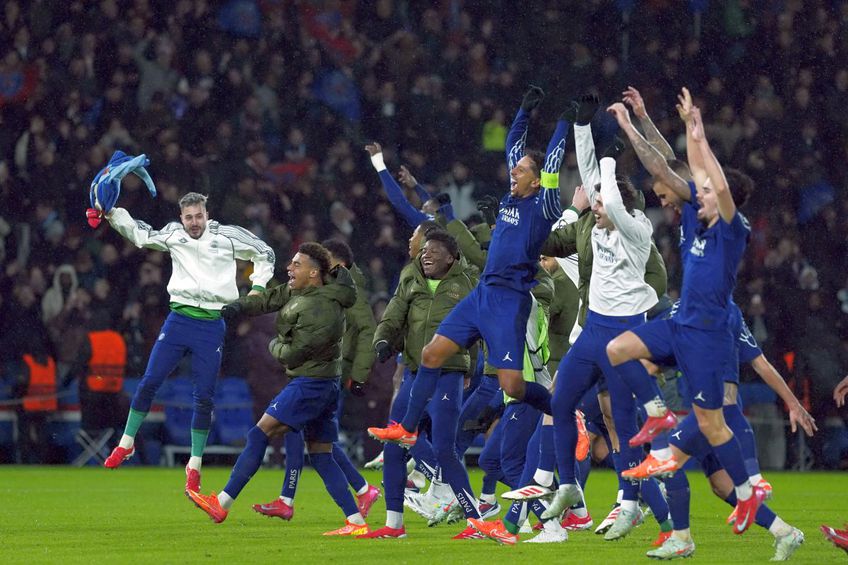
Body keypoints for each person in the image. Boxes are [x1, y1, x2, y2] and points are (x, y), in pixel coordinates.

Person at [604, 91, 766, 541]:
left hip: (707, 337)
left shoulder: (733, 229)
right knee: (617, 349)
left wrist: (635, 127)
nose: (695, 193)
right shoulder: (695, 213)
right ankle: (657, 413)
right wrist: (684, 126)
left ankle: (750, 492)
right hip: (680, 325)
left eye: (708, 190)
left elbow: (687, 172)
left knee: (713, 425)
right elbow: (677, 165)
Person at [368, 85, 568, 447]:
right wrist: (523, 113)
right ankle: (407, 428)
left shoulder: (544, 207)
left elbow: (552, 160)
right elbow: (512, 145)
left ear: (537, 180)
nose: (514, 171)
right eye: (516, 168)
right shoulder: (510, 197)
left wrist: (565, 124)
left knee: (513, 386)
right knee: (431, 354)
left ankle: (568, 417)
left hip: (509, 301)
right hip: (483, 295)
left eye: (522, 170)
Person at [187, 243, 369, 536]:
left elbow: (295, 353)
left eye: (297, 264)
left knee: (260, 432)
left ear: (313, 272)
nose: (289, 268)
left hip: (310, 383)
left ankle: (222, 502)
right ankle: (356, 522)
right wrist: (237, 307)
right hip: (322, 383)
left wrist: (272, 344)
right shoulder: (303, 292)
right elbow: (269, 299)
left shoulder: (322, 307)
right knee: (321, 455)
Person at [103, 192, 275, 494]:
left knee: (204, 397)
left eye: (198, 216)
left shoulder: (227, 236)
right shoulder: (173, 234)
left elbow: (265, 252)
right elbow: (141, 235)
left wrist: (258, 285)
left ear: (206, 214)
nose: (194, 223)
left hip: (211, 324)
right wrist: (112, 213)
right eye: (188, 217)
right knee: (149, 382)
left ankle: (194, 465)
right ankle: (126, 444)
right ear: (181, 218)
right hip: (178, 319)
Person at [354, 230, 479, 539]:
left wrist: (470, 370)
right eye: (424, 251)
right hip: (413, 373)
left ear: (451, 257)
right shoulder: (410, 278)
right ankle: (394, 525)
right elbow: (394, 314)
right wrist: (383, 339)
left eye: (434, 251)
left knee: (444, 450)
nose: (426, 255)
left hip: (447, 375)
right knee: (394, 447)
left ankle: (477, 521)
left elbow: (477, 331)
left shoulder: (467, 284)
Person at [256, 239, 381, 521]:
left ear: (339, 265)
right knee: (318, 440)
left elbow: (367, 331)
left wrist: (358, 376)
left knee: (305, 433)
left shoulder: (351, 294)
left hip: (332, 372)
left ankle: (288, 499)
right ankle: (361, 489)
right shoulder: (324, 292)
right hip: (319, 368)